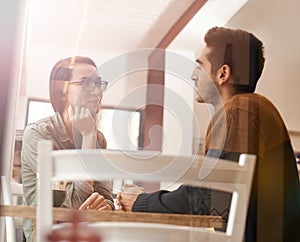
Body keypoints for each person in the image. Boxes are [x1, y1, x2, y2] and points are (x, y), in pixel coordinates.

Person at [117, 27, 300, 242]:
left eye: (200, 65)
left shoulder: (240, 111)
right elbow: (210, 196)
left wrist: (140, 202)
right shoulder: (249, 109)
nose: (193, 75)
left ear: (223, 73)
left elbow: (205, 199)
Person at [21, 56, 115, 242]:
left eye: (98, 83)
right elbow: (74, 204)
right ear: (62, 92)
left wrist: (106, 205)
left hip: (86, 234)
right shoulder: (37, 134)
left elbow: (107, 196)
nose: (97, 91)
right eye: (85, 83)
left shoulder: (99, 139)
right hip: (47, 235)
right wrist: (88, 138)